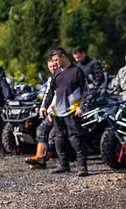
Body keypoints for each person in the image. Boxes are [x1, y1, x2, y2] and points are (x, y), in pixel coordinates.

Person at [40, 47, 89, 177]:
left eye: (56, 60)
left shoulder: (77, 71)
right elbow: (50, 92)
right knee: (59, 139)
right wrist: (44, 106)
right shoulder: (56, 72)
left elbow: (86, 91)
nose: (54, 63)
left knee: (76, 139)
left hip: (73, 111)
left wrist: (82, 107)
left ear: (63, 56)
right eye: (53, 60)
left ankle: (82, 166)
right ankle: (63, 165)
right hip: (58, 112)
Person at [25, 60, 58, 169]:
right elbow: (48, 95)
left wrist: (51, 110)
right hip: (52, 112)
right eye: (50, 66)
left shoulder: (62, 77)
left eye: (54, 65)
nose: (53, 68)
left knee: (54, 135)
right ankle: (40, 157)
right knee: (41, 130)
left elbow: (59, 96)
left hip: (62, 112)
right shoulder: (50, 79)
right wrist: (44, 108)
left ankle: (42, 159)